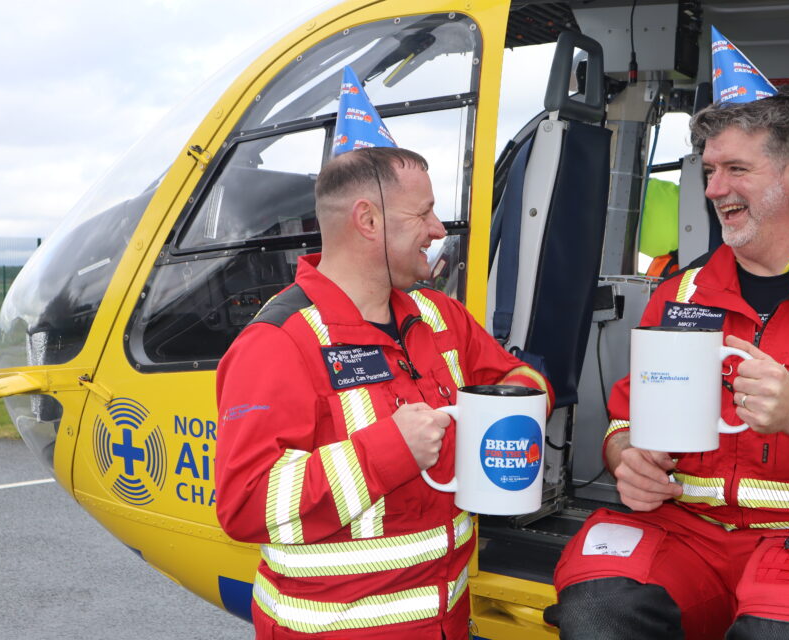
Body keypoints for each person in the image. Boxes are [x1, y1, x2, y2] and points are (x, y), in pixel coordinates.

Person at [546, 86, 789, 640]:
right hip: (683, 528)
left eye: (736, 168)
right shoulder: (681, 292)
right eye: (709, 170)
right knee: (595, 610)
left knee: (783, 631)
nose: (714, 190)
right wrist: (626, 458)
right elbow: (624, 421)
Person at [215, 147, 552, 639]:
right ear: (367, 220)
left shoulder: (440, 315)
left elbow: (525, 380)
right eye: (423, 213)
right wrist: (392, 451)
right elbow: (245, 506)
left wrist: (504, 415)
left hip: (448, 624)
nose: (438, 229)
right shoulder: (278, 342)